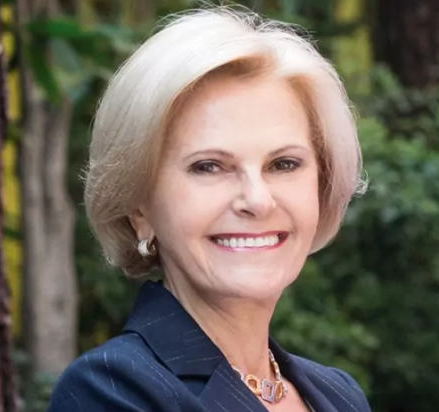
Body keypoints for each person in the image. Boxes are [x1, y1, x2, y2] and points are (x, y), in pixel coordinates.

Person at [48, 5, 369, 412]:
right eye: (209, 167)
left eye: (283, 164)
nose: (257, 200)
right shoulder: (109, 389)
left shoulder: (341, 395)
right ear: (139, 207)